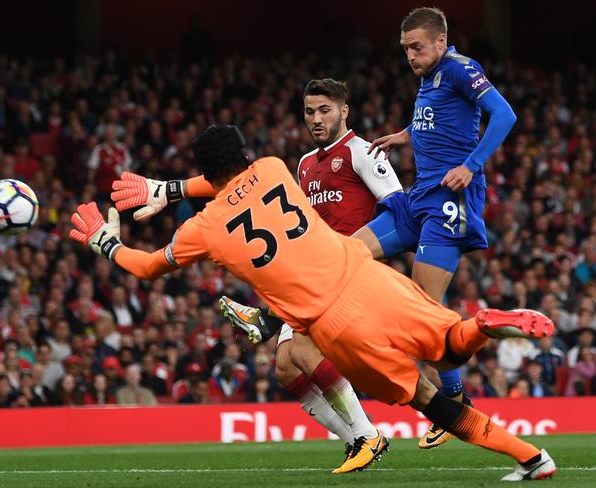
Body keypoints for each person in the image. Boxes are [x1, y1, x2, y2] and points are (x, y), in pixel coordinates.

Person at [70, 124, 556, 480]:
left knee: (430, 401)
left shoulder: (201, 230)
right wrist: (171, 187)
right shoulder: (274, 169)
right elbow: (227, 181)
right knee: (451, 343)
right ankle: (486, 327)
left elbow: (148, 265)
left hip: (337, 324)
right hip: (371, 277)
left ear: (205, 171)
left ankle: (528, 457)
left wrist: (106, 241)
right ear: (245, 154)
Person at [109, 78, 401, 459]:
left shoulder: (363, 152)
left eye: (324, 110)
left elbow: (399, 212)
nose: (315, 118)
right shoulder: (296, 165)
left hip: (349, 273)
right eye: (309, 111)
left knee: (303, 351)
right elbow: (238, 182)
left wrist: (153, 204)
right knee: (285, 368)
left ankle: (368, 436)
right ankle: (354, 441)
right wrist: (169, 190)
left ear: (345, 111)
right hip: (311, 275)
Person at [355, 6, 517, 448]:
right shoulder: (430, 79)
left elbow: (504, 115)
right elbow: (438, 120)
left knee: (424, 310)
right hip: (419, 195)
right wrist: (404, 135)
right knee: (346, 254)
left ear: (441, 42)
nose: (409, 55)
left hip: (451, 199)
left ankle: (454, 400)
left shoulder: (462, 69)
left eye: (417, 47)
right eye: (405, 48)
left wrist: (471, 164)